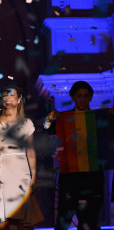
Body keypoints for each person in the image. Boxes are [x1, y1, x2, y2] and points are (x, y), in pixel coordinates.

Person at [44, 81, 114, 230]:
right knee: (63, 221)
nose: (82, 99)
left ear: (90, 98)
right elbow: (47, 130)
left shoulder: (100, 118)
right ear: (73, 97)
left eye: (86, 96)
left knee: (90, 222)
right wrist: (49, 119)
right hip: (70, 179)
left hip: (93, 178)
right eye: (79, 96)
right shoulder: (63, 118)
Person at [0, 86, 43, 229]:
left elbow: (30, 151)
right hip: (1, 173)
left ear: (19, 99)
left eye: (11, 95)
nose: (7, 98)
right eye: (5, 95)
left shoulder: (27, 123)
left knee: (22, 219)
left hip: (21, 174)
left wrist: (33, 175)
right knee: (2, 220)